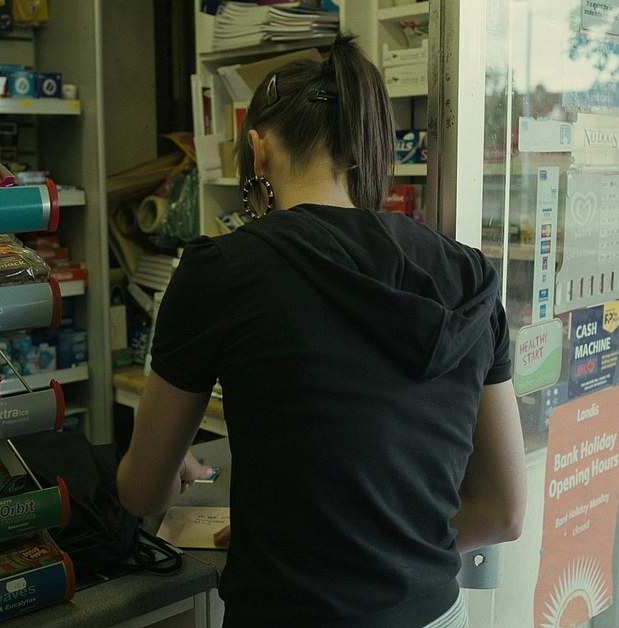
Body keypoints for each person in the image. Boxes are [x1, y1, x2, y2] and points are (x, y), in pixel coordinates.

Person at [117, 31, 527, 628]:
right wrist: (377, 557)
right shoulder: (469, 274)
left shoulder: (222, 270)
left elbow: (142, 494)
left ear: (258, 150)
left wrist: (294, 551)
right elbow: (504, 512)